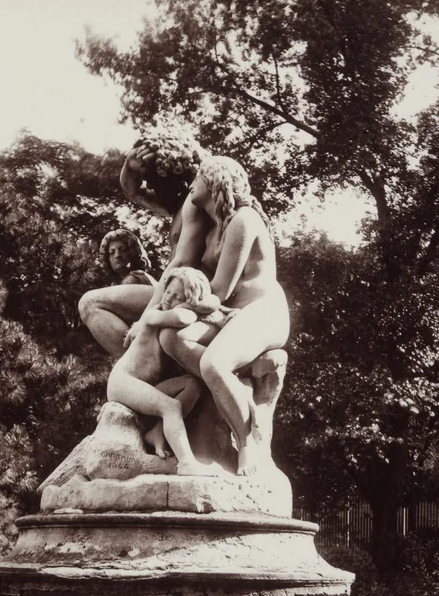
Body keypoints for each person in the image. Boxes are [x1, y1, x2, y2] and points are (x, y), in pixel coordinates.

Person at [157, 156, 289, 476]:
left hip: (262, 313)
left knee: (212, 363)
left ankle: (247, 442)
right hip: (229, 314)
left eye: (199, 176)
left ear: (216, 181)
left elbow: (220, 290)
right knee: (171, 337)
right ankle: (234, 387)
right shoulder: (216, 225)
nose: (192, 184)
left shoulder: (244, 219)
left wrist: (169, 310)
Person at [78, 131, 212, 357]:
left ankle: (140, 362)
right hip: (176, 290)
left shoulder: (193, 205)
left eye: (157, 182)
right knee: (92, 304)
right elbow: (133, 192)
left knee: (91, 303)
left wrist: (146, 317)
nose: (153, 189)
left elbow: (183, 261)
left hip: (189, 295)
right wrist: (129, 165)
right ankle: (141, 364)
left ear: (175, 176)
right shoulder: (178, 206)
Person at [106, 267, 223, 475]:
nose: (168, 298)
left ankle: (157, 432)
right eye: (167, 291)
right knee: (170, 407)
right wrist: (196, 304)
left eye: (176, 295)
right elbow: (182, 318)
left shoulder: (169, 313)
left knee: (192, 384)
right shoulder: (153, 314)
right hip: (123, 381)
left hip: (143, 384)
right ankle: (187, 464)